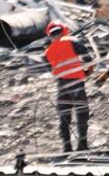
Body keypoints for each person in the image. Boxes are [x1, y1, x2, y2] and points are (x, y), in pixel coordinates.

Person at [43, 22, 92, 153]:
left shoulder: (47, 51)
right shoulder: (72, 41)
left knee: (64, 117)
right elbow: (89, 59)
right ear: (63, 30)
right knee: (82, 114)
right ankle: (82, 145)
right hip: (76, 83)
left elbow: (51, 68)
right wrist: (87, 71)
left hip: (61, 85)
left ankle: (66, 147)